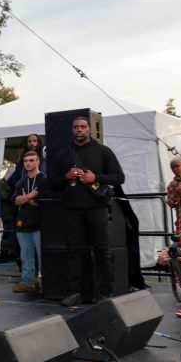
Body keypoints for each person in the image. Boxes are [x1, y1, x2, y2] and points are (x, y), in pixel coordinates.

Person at [47, 117, 125, 307]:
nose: (79, 130)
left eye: (83, 127)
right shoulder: (63, 155)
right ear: (72, 130)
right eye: (76, 127)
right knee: (73, 252)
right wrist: (65, 177)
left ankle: (106, 293)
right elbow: (52, 184)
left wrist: (95, 177)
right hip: (72, 210)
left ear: (89, 129)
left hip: (96, 209)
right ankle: (74, 292)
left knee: (102, 251)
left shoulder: (103, 151)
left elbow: (119, 177)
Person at [12, 150, 46, 293]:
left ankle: (46, 282)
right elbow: (15, 200)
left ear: (38, 162)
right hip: (23, 224)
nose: (28, 163)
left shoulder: (43, 179)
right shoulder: (21, 180)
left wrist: (26, 199)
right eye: (26, 161)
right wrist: (31, 196)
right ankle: (28, 282)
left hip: (39, 224)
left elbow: (40, 203)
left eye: (31, 160)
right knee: (26, 256)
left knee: (42, 257)